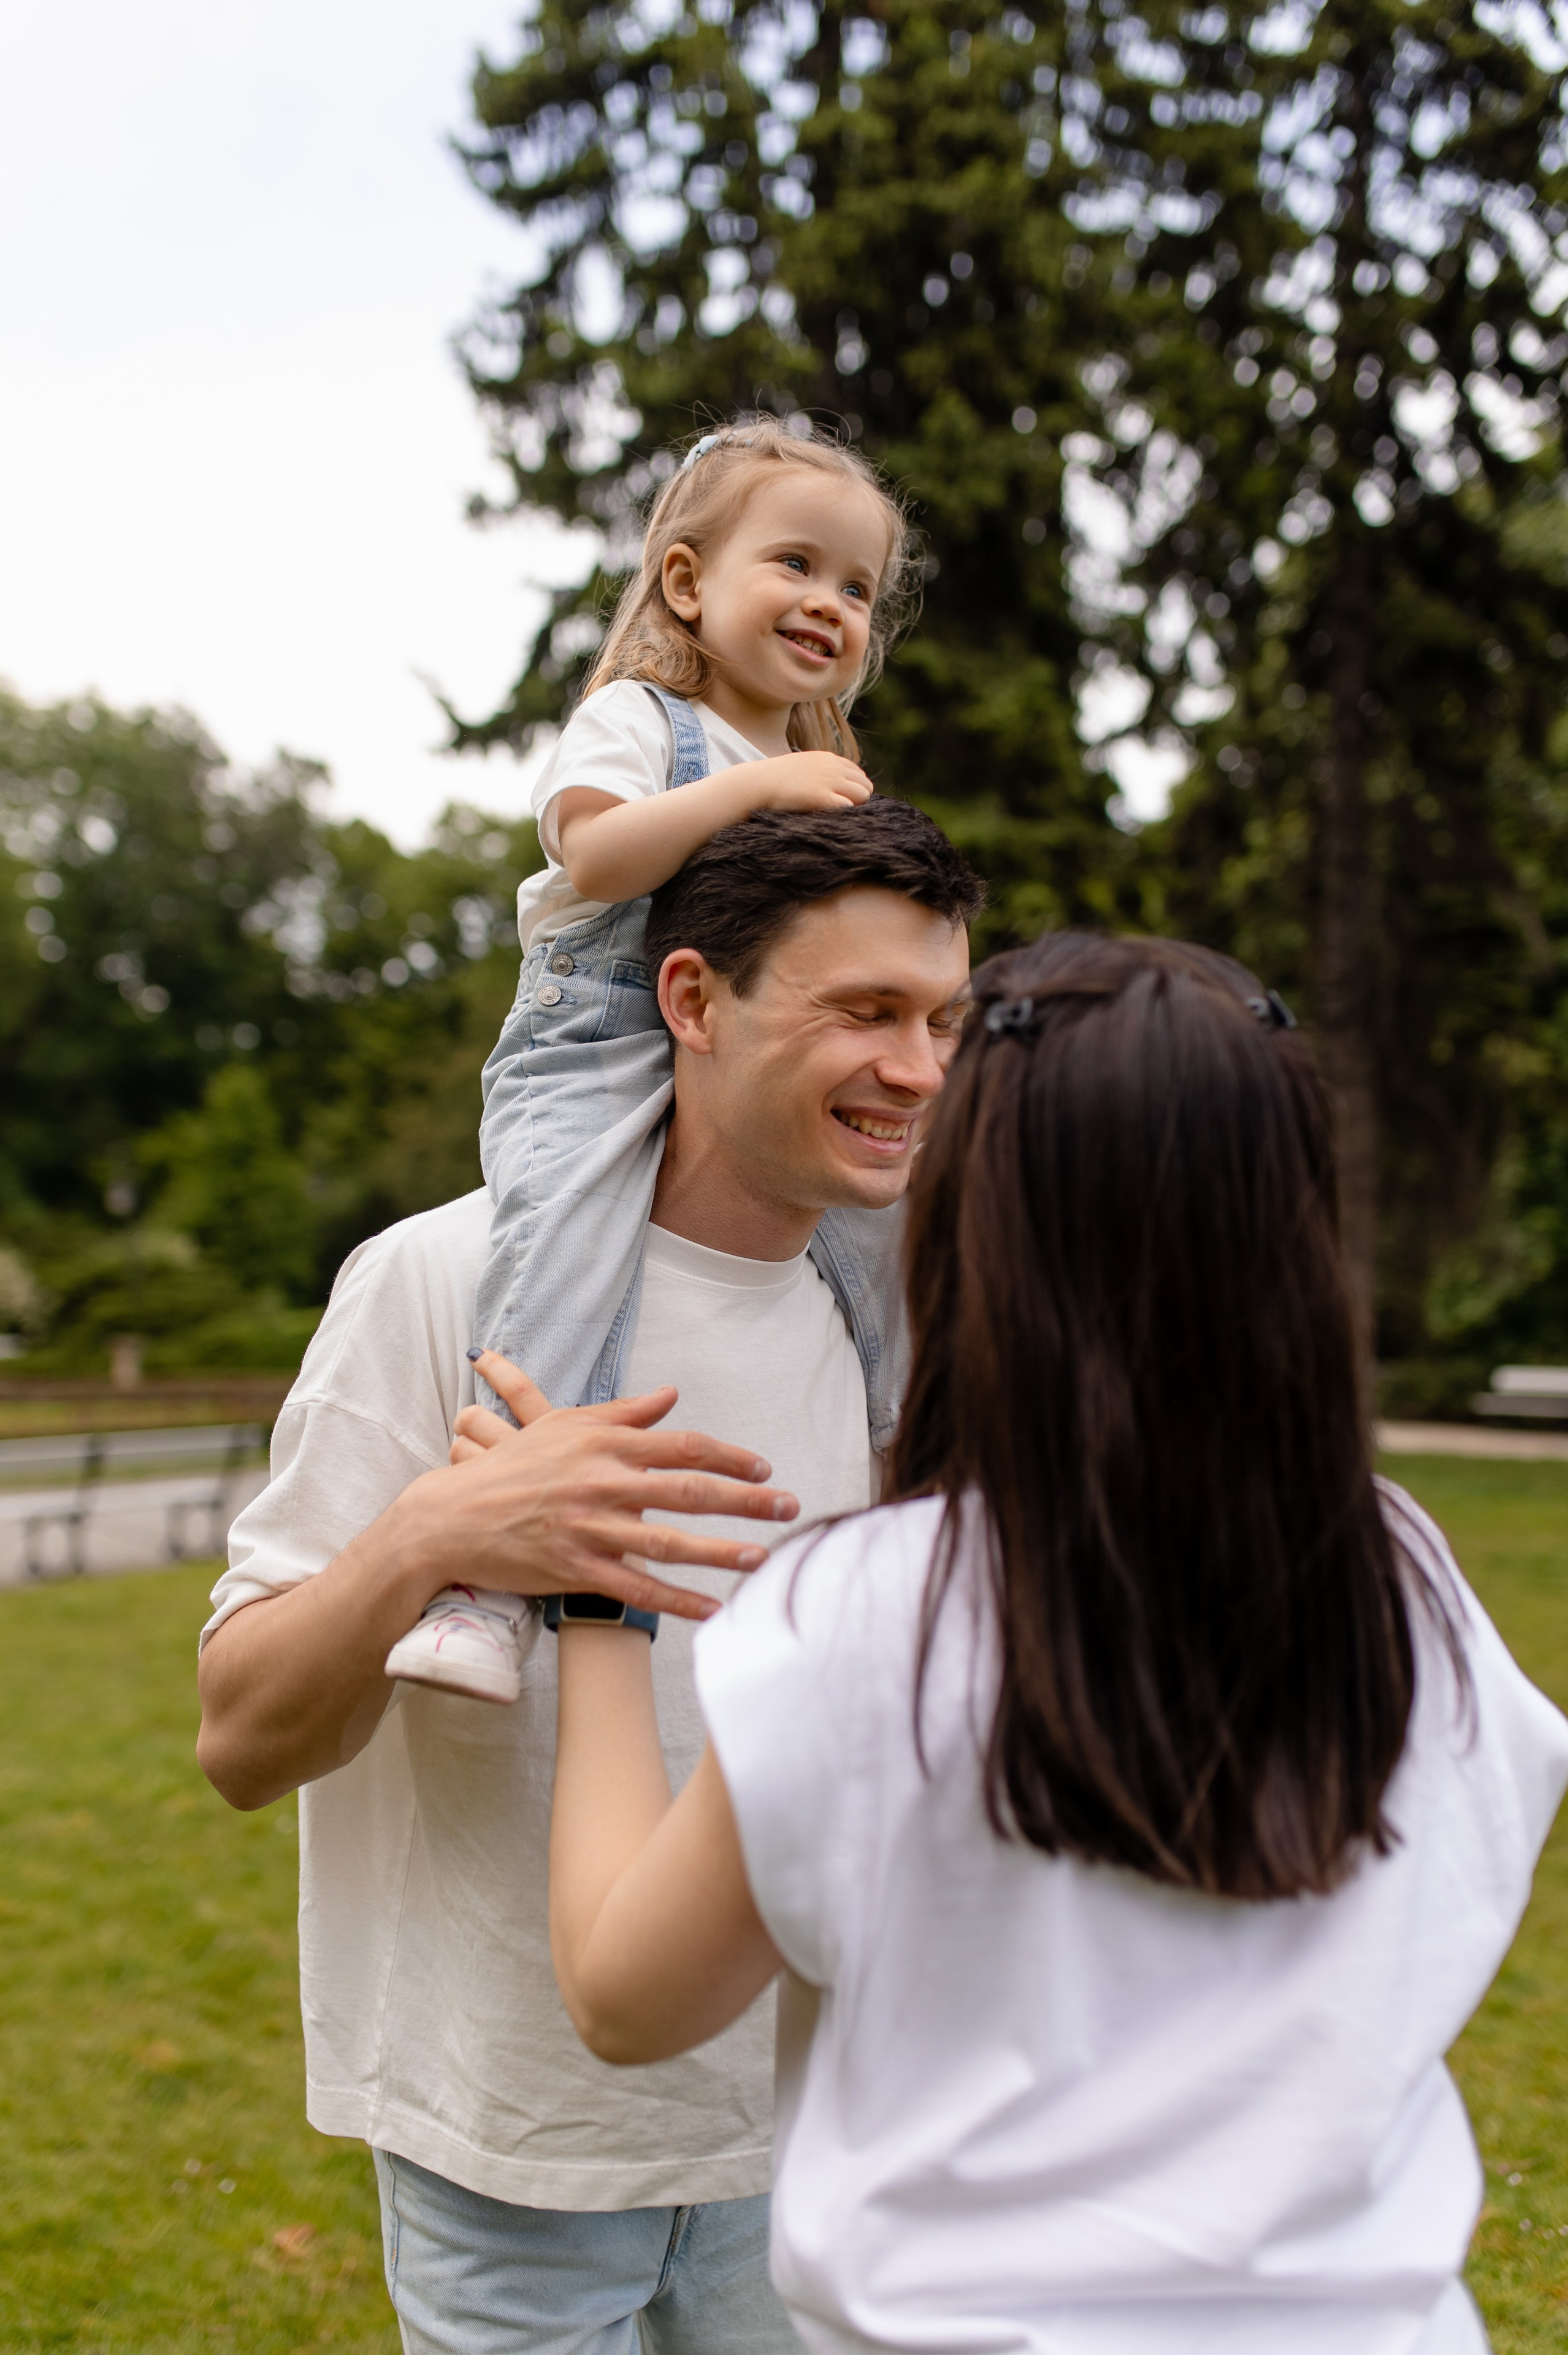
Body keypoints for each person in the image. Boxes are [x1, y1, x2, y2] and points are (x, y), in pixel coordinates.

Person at [543, 932, 1568, 2355]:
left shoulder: (876, 1616)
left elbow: (623, 1997)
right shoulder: (1403, 1581)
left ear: (979, 1226)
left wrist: (594, 1591)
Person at [196, 797, 981, 2355]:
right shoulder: (441, 1281)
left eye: (941, 1019)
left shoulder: (914, 1324)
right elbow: (239, 1741)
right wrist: (435, 1536)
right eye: (864, 1012)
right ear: (691, 1000)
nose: (918, 1070)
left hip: (815, 2130)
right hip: (516, 2157)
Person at [388, 416, 922, 1702]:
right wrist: (754, 794)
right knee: (564, 1256)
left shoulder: (815, 765)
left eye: (856, 588)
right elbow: (595, 854)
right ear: (686, 581)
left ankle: (915, 1491)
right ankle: (484, 1584)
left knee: (890, 1232)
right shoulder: (643, 720)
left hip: (736, 1063)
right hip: (594, 1041)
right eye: (795, 564)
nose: (829, 603)